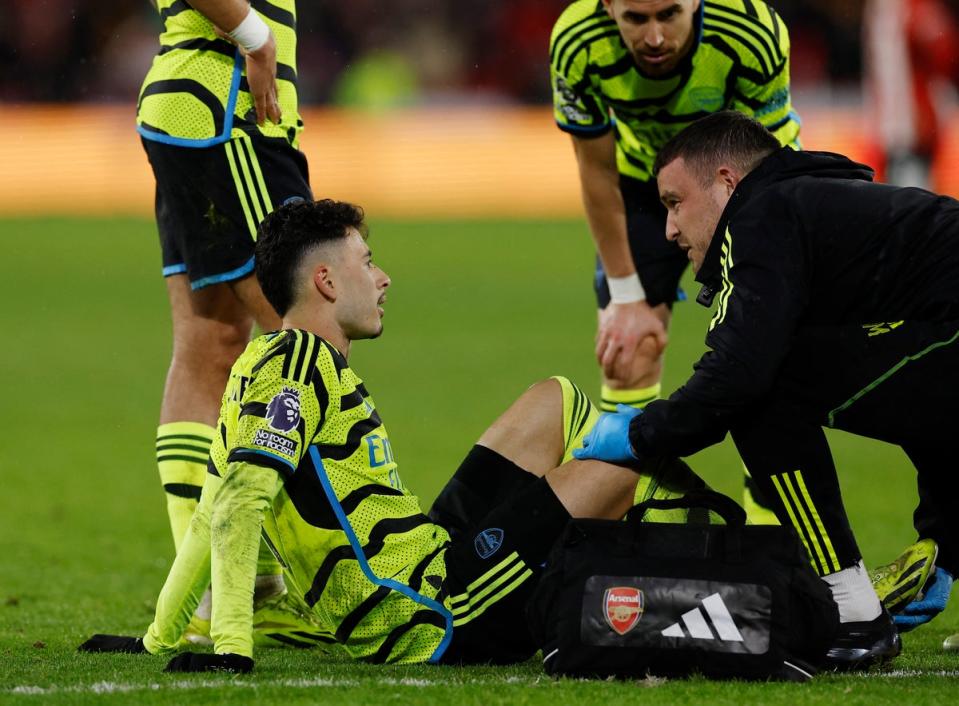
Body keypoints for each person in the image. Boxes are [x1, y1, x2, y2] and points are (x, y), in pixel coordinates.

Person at [79, 199, 702, 671]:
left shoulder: (272, 363)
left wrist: (156, 637)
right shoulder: (297, 370)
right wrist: (232, 648)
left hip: (429, 555)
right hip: (430, 612)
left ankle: (644, 561)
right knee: (620, 469)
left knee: (554, 399)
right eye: (368, 264)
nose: (383, 279)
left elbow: (210, 501)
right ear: (326, 282)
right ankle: (658, 605)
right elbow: (238, 502)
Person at [575, 110, 959, 667]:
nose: (669, 230)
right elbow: (927, 407)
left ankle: (849, 609)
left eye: (675, 202)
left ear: (727, 182)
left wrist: (640, 433)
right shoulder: (813, 209)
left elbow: (737, 374)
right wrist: (945, 543)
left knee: (768, 389)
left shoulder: (760, 216)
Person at [549, 0, 800, 519]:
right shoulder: (576, 43)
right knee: (629, 346)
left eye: (670, 14)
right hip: (644, 186)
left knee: (774, 355)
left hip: (750, 185)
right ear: (607, 7)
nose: (656, 37)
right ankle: (638, 526)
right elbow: (596, 172)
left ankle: (768, 526)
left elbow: (774, 153)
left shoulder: (751, 31)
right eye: (636, 20)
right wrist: (624, 297)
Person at [139, 0, 312, 639]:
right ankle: (270, 581)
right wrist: (255, 35)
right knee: (307, 333)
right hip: (228, 110)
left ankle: (225, 590)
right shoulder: (242, 54)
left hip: (191, 113)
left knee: (210, 340)